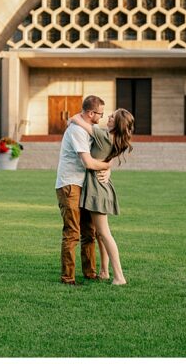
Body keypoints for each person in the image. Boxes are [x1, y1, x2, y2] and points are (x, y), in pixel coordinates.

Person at [69, 107, 134, 285]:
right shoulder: (113, 139)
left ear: (117, 123)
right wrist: (108, 167)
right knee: (99, 234)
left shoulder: (103, 135)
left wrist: (80, 114)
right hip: (100, 187)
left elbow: (75, 118)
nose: (108, 117)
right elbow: (107, 162)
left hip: (98, 190)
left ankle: (119, 276)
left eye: (112, 116)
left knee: (104, 234)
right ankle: (104, 271)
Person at [54, 94, 111, 284]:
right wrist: (107, 167)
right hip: (69, 184)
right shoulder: (76, 131)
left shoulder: (89, 127)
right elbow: (87, 162)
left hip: (84, 185)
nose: (102, 117)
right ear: (90, 113)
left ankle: (90, 272)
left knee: (90, 232)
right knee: (72, 232)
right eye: (100, 114)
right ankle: (67, 277)